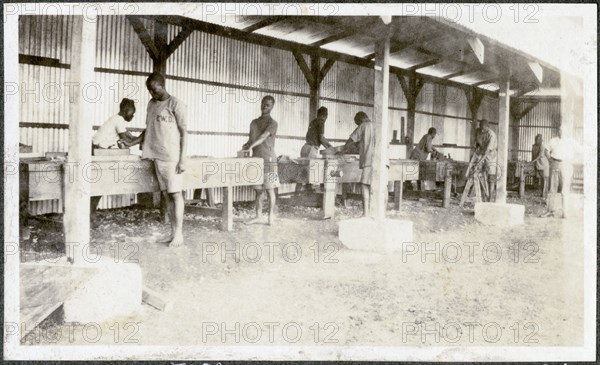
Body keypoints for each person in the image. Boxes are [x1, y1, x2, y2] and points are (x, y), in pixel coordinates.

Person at [134, 73, 187, 247]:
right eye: (149, 90)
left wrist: (182, 159)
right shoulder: (151, 104)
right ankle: (172, 233)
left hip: (172, 157)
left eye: (155, 90)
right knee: (166, 195)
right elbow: (149, 128)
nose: (152, 93)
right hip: (156, 156)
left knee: (176, 194)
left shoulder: (176, 104)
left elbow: (184, 133)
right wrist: (134, 140)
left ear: (162, 86)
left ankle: (179, 234)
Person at [90, 98, 137, 225]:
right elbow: (127, 138)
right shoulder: (118, 120)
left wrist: (139, 138)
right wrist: (143, 138)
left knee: (98, 186)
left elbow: (128, 136)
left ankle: (91, 214)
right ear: (126, 110)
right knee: (98, 186)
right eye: (132, 112)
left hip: (97, 150)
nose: (133, 115)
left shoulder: (117, 120)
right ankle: (90, 215)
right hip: (97, 152)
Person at [242, 95, 280, 225]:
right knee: (258, 191)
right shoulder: (254, 122)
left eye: (268, 105)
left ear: (272, 107)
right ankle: (258, 216)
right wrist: (247, 145)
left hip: (269, 160)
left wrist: (252, 146)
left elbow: (264, 136)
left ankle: (271, 217)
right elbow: (251, 139)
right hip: (256, 160)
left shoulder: (272, 123)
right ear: (261, 104)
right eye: (263, 104)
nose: (265, 106)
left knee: (270, 190)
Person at [541, 125, 583, 219]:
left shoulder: (571, 141)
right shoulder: (553, 140)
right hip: (555, 163)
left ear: (567, 131)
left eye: (563, 130)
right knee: (552, 188)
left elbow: (581, 151)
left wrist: (573, 160)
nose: (561, 131)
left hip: (566, 165)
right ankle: (550, 211)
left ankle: (565, 213)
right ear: (558, 131)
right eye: (560, 129)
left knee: (565, 189)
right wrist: (550, 160)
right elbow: (546, 150)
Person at [339, 111, 375, 217]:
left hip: (369, 160)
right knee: (381, 185)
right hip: (380, 161)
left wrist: (343, 150)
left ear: (360, 120)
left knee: (364, 185)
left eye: (357, 123)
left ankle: (366, 213)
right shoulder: (377, 125)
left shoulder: (363, 125)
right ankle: (379, 212)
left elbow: (351, 140)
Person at [465, 119, 497, 201]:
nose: (482, 130)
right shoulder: (478, 131)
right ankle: (482, 196)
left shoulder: (492, 135)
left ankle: (490, 198)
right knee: (478, 173)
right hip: (481, 152)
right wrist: (476, 148)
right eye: (481, 128)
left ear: (488, 127)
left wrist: (480, 161)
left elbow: (488, 151)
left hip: (490, 155)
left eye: (484, 128)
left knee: (491, 177)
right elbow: (476, 143)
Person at [530, 134, 550, 198]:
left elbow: (540, 155)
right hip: (539, 164)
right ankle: (542, 194)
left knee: (545, 180)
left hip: (544, 165)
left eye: (539, 139)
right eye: (536, 139)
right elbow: (533, 155)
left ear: (541, 140)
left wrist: (533, 161)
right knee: (542, 180)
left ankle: (544, 195)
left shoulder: (543, 146)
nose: (537, 140)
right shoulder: (535, 146)